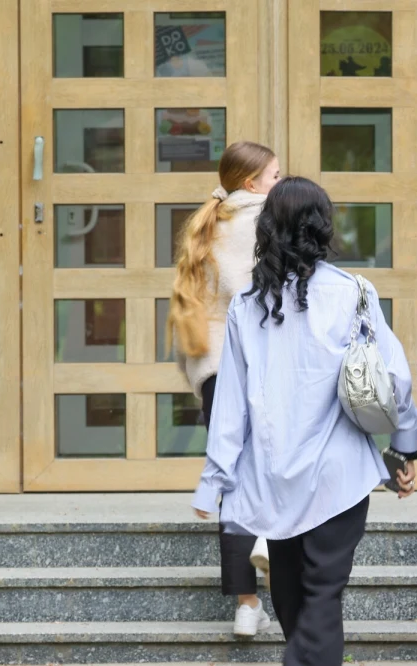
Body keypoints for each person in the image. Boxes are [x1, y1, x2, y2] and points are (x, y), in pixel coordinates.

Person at [192, 177, 417, 666]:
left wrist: (215, 479)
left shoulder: (247, 307)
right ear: (323, 227)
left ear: (267, 229)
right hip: (338, 474)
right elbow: (390, 379)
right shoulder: (353, 293)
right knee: (324, 590)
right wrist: (406, 446)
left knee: (294, 592)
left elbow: (231, 404)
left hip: (270, 476)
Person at [169, 141, 280, 638]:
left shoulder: (208, 224)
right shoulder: (266, 221)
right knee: (274, 474)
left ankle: (246, 603)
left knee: (230, 480)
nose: (281, 183)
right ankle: (275, 562)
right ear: (253, 183)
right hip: (259, 370)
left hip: (215, 372)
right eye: (275, 176)